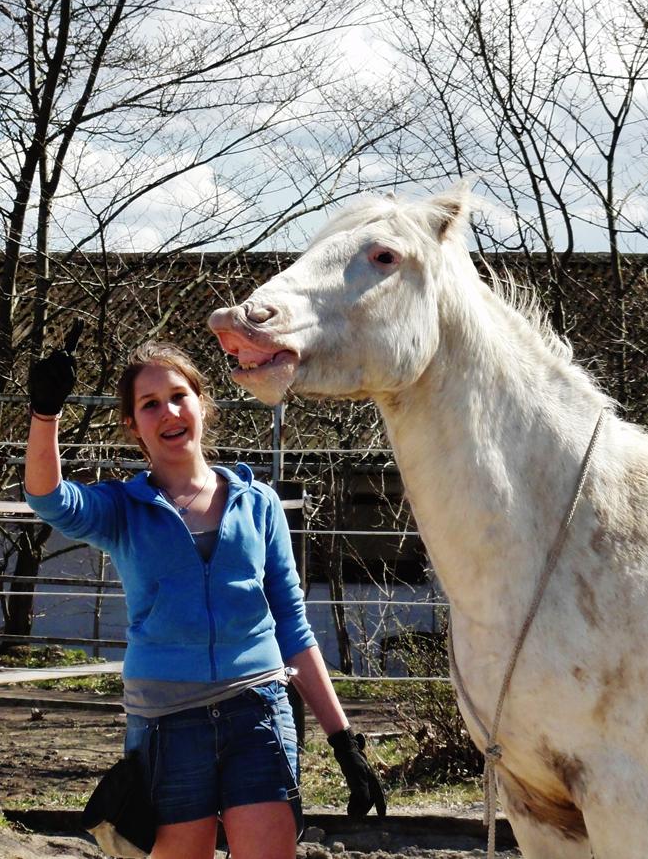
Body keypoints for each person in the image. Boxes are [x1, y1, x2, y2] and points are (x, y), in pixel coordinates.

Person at [24, 336, 384, 859]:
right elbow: (48, 498)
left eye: (178, 396)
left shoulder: (258, 503)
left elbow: (291, 625)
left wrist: (343, 739)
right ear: (133, 425)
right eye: (149, 405)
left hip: (258, 713)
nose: (168, 412)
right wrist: (45, 414)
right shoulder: (123, 509)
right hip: (168, 724)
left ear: (201, 404)